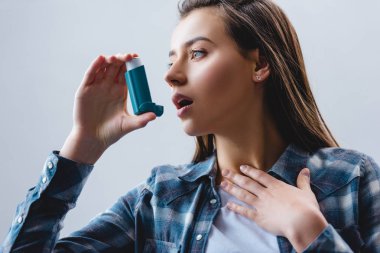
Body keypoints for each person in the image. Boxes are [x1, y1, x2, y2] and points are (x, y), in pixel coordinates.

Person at [2, 0, 379, 252]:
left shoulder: (351, 179)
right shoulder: (162, 198)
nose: (172, 76)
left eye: (197, 53)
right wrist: (82, 147)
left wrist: (309, 232)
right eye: (171, 60)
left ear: (260, 65)